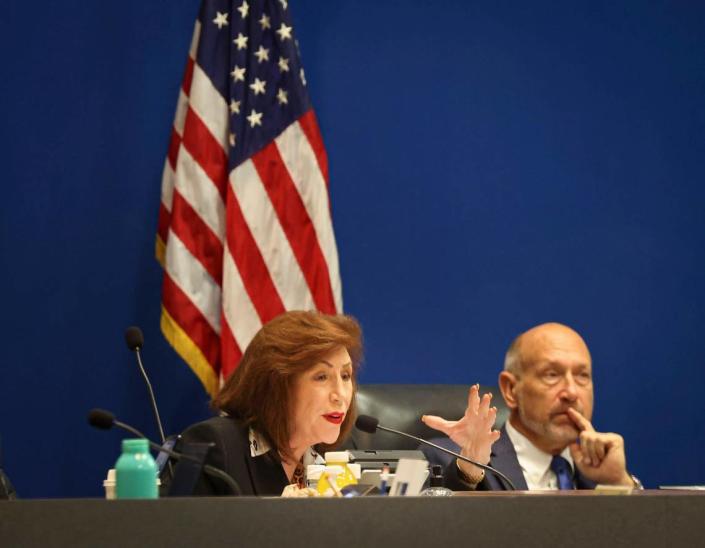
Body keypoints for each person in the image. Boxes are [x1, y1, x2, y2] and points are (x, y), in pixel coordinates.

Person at [421, 322, 641, 490]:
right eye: (552, 375)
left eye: (582, 376)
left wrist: (619, 482)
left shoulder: (599, 473)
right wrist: (468, 470)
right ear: (510, 389)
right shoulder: (445, 458)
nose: (572, 393)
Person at [171, 310, 363, 496]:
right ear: (278, 386)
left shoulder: (341, 454)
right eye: (321, 377)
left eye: (345, 376)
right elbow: (174, 528)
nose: (340, 394)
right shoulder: (216, 447)